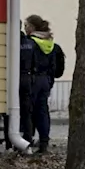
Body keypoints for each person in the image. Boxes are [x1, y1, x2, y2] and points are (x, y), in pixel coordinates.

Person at [23, 15, 66, 154]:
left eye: (26, 25)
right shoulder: (53, 45)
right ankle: (44, 143)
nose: (25, 28)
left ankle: (27, 142)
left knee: (28, 111)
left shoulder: (28, 43)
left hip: (31, 80)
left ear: (32, 27)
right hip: (46, 82)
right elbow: (59, 70)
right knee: (42, 111)